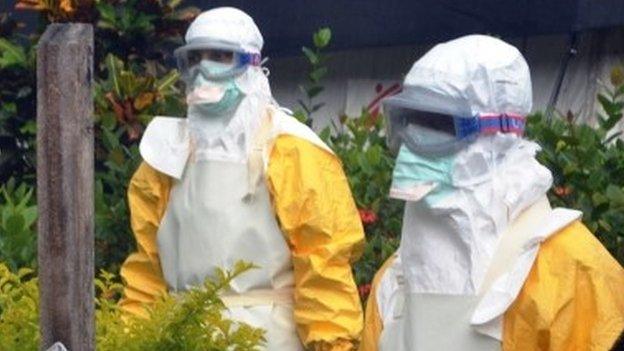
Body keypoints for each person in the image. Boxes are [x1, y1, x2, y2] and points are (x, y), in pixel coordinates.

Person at [119, 7, 365, 350]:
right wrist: (130, 339)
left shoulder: (293, 151)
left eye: (221, 56)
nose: (205, 70)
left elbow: (324, 265)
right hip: (181, 338)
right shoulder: (165, 155)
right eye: (196, 58)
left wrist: (332, 344)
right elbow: (147, 270)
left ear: (252, 66)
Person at [359, 34, 624, 351]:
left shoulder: (573, 272)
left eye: (438, 123)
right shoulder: (394, 280)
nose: (415, 142)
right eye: (409, 121)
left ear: (501, 133)